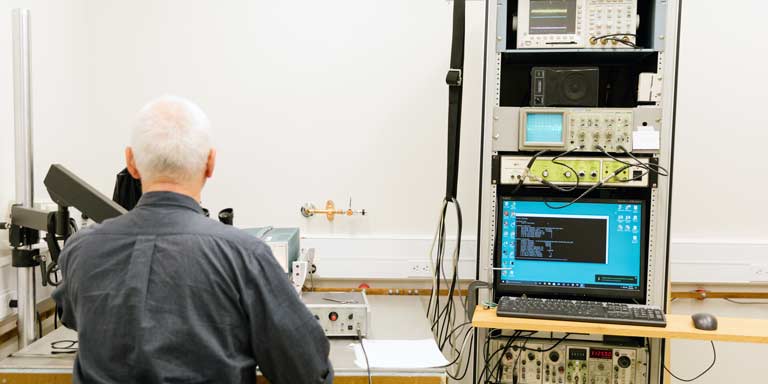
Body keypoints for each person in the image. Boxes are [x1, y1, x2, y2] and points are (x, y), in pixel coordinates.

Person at [52, 96, 333, 384]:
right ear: (210, 163)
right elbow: (308, 371)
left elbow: (71, 313)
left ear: (131, 163)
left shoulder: (80, 251)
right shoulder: (245, 256)